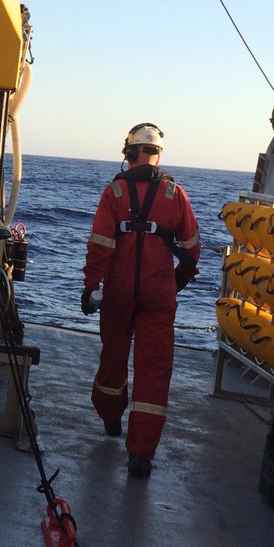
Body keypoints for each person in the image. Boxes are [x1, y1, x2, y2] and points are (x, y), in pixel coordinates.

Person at [81, 122, 200, 478]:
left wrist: (91, 287)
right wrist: (172, 285)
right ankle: (141, 456)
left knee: (113, 356)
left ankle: (110, 417)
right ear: (158, 154)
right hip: (158, 295)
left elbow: (100, 245)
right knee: (154, 370)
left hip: (118, 293)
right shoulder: (175, 194)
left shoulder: (113, 192)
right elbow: (193, 250)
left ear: (129, 154)